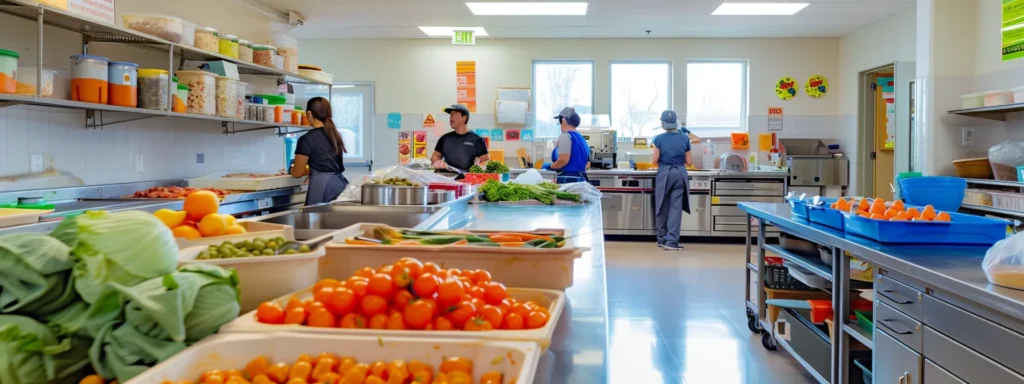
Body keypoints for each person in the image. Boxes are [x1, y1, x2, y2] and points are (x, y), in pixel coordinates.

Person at [289, 97, 349, 206]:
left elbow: (297, 172)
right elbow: (325, 162)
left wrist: (291, 169)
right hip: (339, 184)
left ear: (309, 114)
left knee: (317, 220)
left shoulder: (306, 139)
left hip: (322, 186)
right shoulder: (335, 135)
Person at [652, 110, 693, 251]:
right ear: (676, 122)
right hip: (680, 173)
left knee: (662, 205)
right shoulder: (685, 138)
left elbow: (654, 160)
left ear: (662, 123)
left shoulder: (658, 138)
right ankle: (672, 241)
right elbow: (689, 161)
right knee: (676, 208)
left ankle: (661, 238)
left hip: (665, 173)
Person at [431, 104, 489, 173]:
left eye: (454, 114)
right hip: (447, 179)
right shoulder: (444, 138)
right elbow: (435, 156)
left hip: (467, 180)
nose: (451, 117)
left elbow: (485, 162)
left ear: (464, 117)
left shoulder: (477, 140)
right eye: (450, 115)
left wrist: (478, 167)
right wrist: (438, 163)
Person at [550, 107, 591, 184]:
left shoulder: (565, 136)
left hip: (568, 181)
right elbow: (588, 164)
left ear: (563, 121)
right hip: (581, 179)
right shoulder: (580, 137)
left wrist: (550, 166)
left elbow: (563, 160)